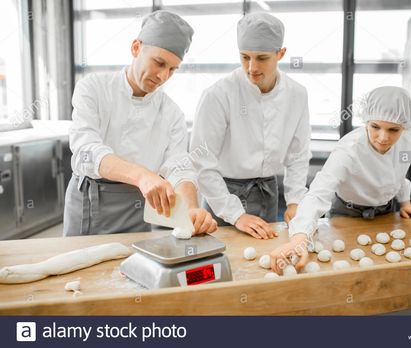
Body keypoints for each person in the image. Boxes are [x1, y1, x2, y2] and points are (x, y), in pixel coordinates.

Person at [63, 11, 217, 236]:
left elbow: (179, 166)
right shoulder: (93, 88)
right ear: (136, 48)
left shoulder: (171, 112)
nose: (163, 76)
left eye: (172, 69)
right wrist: (142, 176)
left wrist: (191, 207)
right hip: (91, 201)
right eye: (159, 62)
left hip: (138, 204)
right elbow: (86, 151)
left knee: (130, 266)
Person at [270, 86, 411, 272]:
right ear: (366, 121)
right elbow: (319, 193)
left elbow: (398, 175)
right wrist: (299, 237)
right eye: (375, 127)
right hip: (347, 212)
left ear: (405, 126)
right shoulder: (349, 150)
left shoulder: (407, 140)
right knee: (343, 266)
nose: (383, 137)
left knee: (384, 269)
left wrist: (405, 202)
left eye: (393, 129)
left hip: (385, 211)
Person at [190, 12, 311, 240]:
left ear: (281, 54)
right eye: (245, 57)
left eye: (261, 58)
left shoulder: (297, 94)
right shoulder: (218, 95)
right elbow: (202, 162)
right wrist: (236, 215)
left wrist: (295, 201)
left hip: (268, 193)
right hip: (223, 196)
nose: (252, 67)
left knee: (265, 259)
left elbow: (298, 155)